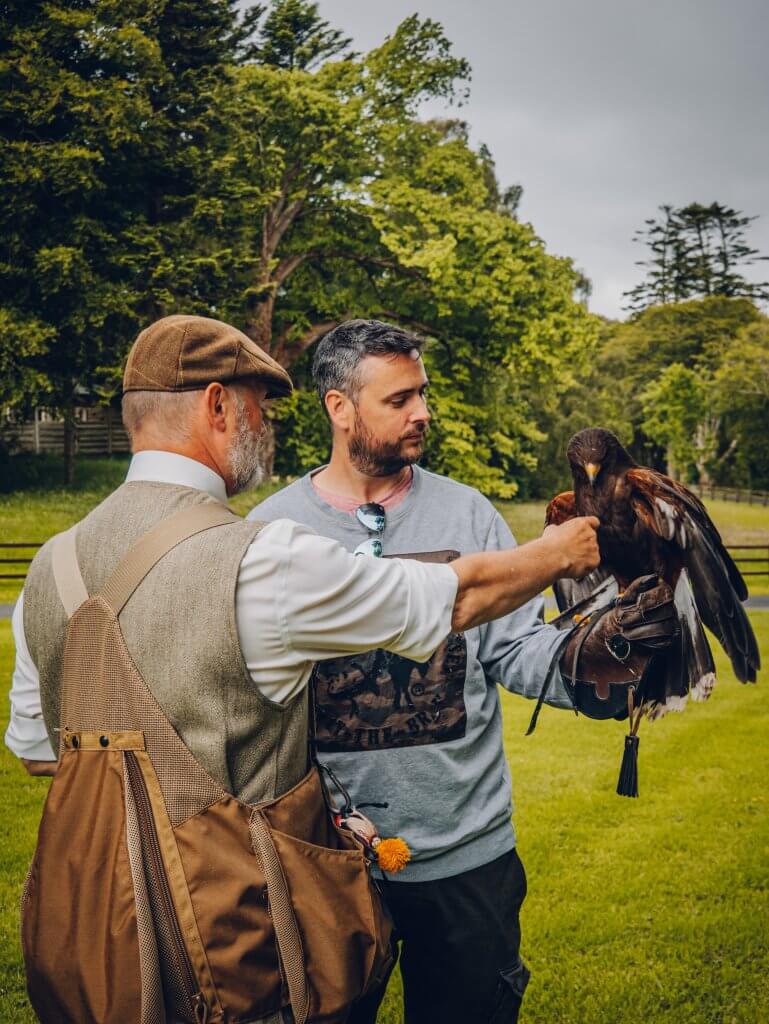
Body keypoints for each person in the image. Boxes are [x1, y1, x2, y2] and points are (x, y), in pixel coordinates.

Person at [7, 314, 604, 1021]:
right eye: (260, 403)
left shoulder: (54, 563)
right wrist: (562, 552)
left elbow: (43, 755)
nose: (268, 422)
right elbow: (456, 595)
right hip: (253, 899)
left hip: (113, 915)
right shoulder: (263, 550)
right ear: (218, 404)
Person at [249, 319, 676, 1024]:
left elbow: (512, 648)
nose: (422, 413)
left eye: (423, 394)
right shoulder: (272, 532)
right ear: (338, 407)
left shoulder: (465, 511)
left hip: (465, 855)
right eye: (398, 400)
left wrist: (599, 663)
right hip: (321, 858)